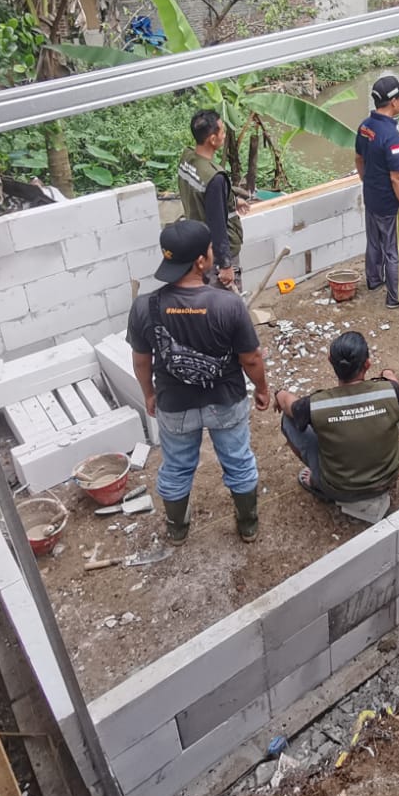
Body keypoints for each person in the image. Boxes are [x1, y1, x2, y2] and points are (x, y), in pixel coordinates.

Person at [127, 219, 271, 544]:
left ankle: (177, 529)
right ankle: (247, 523)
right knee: (237, 460)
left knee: (176, 466)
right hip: (225, 401)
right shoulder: (228, 304)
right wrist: (262, 389)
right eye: (209, 250)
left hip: (175, 405)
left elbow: (141, 360)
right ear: (201, 261)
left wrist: (149, 395)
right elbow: (251, 358)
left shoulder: (144, 307)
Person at [274, 331, 399, 504]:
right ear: (367, 364)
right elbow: (392, 379)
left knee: (289, 420)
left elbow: (288, 404)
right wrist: (386, 372)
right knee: (392, 410)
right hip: (388, 479)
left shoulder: (315, 404)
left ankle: (318, 482)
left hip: (340, 489)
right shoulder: (390, 390)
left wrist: (279, 393)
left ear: (330, 360)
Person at [355, 74, 399, 308]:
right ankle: (396, 297)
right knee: (395, 251)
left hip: (371, 198)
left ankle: (374, 280)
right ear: (394, 102)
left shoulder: (365, 127)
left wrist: (368, 183)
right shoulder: (392, 137)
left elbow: (359, 159)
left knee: (374, 243)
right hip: (390, 205)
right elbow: (397, 178)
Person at [177, 108, 242, 290]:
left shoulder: (187, 158)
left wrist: (233, 200)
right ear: (212, 139)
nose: (224, 134)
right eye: (221, 130)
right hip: (214, 253)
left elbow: (200, 197)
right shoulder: (215, 178)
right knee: (226, 306)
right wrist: (226, 265)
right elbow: (218, 225)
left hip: (196, 244)